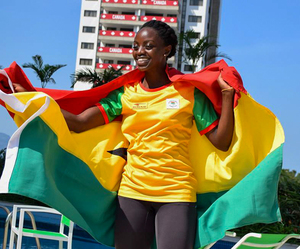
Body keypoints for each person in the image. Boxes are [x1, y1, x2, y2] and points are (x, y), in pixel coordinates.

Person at [14, 20, 235, 249]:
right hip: (132, 193)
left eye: (148, 46)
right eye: (136, 46)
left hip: (176, 193)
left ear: (166, 50)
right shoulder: (125, 94)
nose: (139, 52)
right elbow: (79, 123)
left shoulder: (188, 93)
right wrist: (34, 101)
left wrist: (227, 96)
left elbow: (222, 142)